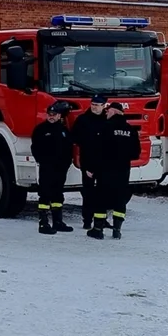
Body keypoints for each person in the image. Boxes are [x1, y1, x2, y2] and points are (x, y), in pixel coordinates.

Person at [90, 102, 141, 239]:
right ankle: (117, 230)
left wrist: (92, 168)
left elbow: (97, 151)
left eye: (108, 111)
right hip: (123, 170)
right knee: (120, 199)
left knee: (101, 198)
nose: (106, 113)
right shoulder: (131, 130)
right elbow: (136, 153)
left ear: (113, 111)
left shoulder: (105, 127)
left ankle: (98, 229)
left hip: (105, 169)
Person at [31, 100, 75, 235]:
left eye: (54, 114)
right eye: (49, 114)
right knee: (44, 194)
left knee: (58, 194)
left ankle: (58, 221)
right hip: (47, 167)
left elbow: (69, 148)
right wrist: (42, 161)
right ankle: (43, 223)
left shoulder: (63, 130)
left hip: (61, 168)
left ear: (59, 116)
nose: (51, 116)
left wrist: (67, 163)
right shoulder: (41, 130)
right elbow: (35, 148)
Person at [70, 94, 109, 232]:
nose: (94, 107)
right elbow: (74, 137)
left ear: (104, 106)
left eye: (97, 105)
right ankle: (87, 220)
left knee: (103, 192)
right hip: (88, 162)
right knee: (88, 193)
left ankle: (102, 220)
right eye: (93, 104)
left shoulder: (108, 120)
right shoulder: (83, 120)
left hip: (104, 163)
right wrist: (86, 142)